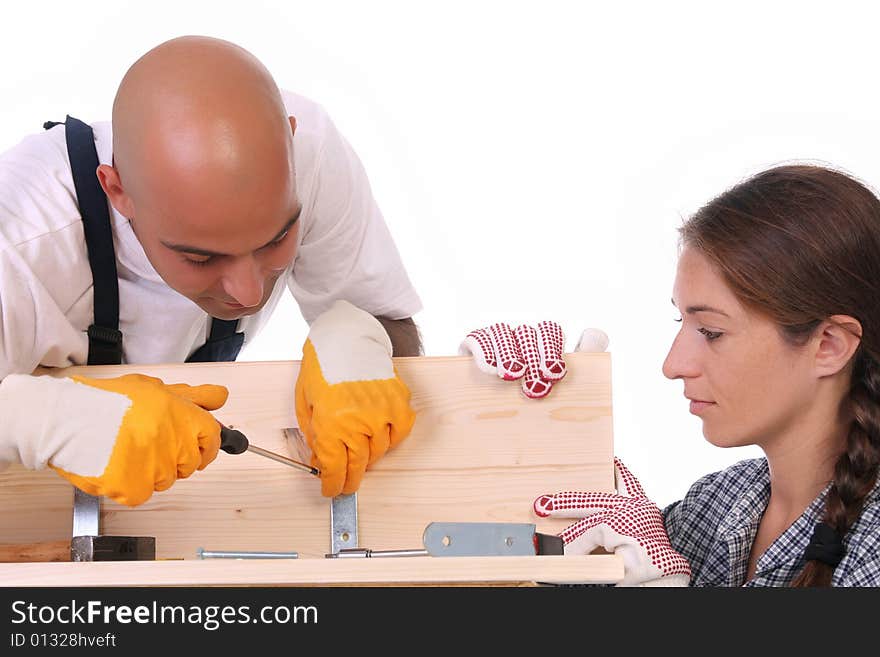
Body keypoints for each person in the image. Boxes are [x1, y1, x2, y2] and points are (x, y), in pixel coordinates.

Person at [0, 35, 420, 506]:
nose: (247, 293)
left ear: (291, 138)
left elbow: (392, 327)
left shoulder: (307, 154)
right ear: (116, 191)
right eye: (200, 258)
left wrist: (362, 335)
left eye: (276, 238)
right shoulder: (20, 236)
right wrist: (36, 421)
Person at [462, 164, 880, 586]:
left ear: (829, 344)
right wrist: (530, 436)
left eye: (711, 332)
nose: (673, 365)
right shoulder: (711, 508)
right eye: (680, 322)